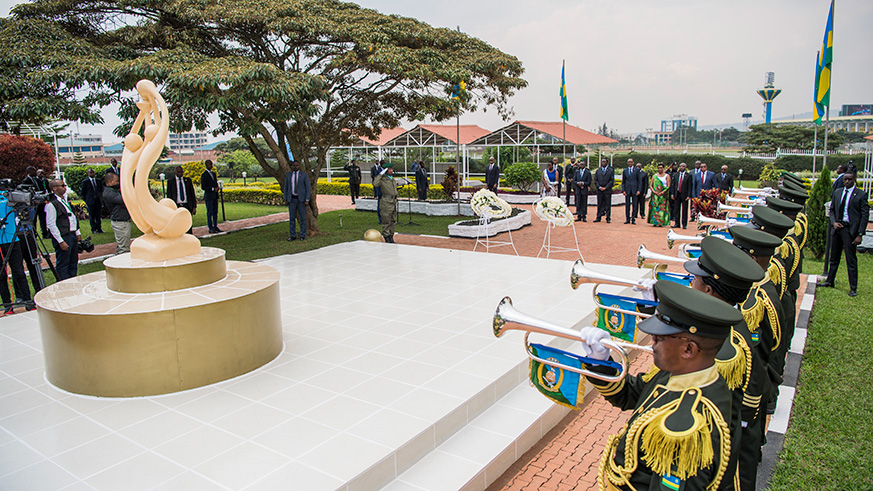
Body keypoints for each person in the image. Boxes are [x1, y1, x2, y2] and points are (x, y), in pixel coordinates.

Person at [578, 280, 741, 491]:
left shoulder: (684, 429)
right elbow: (631, 394)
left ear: (688, 350)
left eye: (660, 337)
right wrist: (601, 361)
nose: (652, 341)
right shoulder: (681, 374)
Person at [685, 236, 770, 491]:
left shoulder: (725, 349)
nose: (691, 283)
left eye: (695, 280)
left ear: (709, 291)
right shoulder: (731, 326)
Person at [821, 172, 869, 296]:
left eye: (849, 179)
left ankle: (853, 288)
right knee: (834, 257)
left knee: (850, 259)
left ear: (854, 180)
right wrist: (834, 223)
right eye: (845, 179)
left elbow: (864, 215)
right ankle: (829, 281)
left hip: (850, 230)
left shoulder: (861, 195)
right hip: (837, 228)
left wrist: (860, 234)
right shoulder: (837, 192)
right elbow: (832, 210)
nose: (847, 181)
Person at [0, 195, 34, 313]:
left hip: (14, 240)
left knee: (19, 271)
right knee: (1, 275)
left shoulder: (7, 196)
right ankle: (7, 305)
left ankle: (28, 301)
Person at [45, 179, 80, 281]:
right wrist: (60, 241)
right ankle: (63, 283)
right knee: (63, 263)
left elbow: (72, 217)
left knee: (73, 261)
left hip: (72, 233)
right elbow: (51, 224)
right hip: (63, 236)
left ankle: (73, 280)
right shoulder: (51, 204)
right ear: (54, 188)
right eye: (62, 186)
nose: (65, 187)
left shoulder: (65, 200)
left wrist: (77, 232)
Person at [101, 172, 131, 254]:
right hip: (120, 222)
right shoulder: (109, 193)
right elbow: (123, 200)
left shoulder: (113, 191)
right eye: (116, 181)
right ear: (110, 182)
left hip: (123, 221)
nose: (118, 183)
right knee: (124, 249)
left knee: (124, 244)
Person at [283, 160, 311, 241]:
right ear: (292, 166)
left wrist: (307, 199)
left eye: (296, 166)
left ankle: (303, 235)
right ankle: (292, 235)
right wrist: (286, 199)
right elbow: (286, 188)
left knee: (303, 218)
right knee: (292, 218)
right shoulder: (288, 175)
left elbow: (308, 188)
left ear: (299, 166)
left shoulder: (304, 175)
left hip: (301, 200)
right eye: (293, 166)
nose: (295, 167)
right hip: (292, 200)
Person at [373, 162, 398, 243]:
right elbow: (375, 183)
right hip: (386, 201)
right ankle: (386, 236)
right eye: (389, 169)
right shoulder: (382, 179)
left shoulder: (392, 178)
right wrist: (380, 174)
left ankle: (391, 235)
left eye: (391, 169)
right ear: (385, 170)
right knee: (386, 220)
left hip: (393, 201)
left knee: (392, 219)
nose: (391, 170)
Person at [166, 166, 197, 234]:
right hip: (177, 205)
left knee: (188, 222)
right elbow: (169, 195)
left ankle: (189, 236)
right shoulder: (171, 182)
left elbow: (192, 194)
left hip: (187, 205)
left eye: (181, 172)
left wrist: (194, 206)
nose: (180, 174)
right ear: (175, 172)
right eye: (178, 172)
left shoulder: (188, 181)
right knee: (178, 222)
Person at [79, 168, 104, 234]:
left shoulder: (98, 181)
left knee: (98, 215)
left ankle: (99, 228)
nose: (92, 174)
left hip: (98, 200)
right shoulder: (85, 182)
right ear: (88, 174)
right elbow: (83, 192)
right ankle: (93, 229)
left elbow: (101, 189)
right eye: (90, 173)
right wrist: (87, 199)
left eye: (93, 172)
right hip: (90, 201)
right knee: (92, 216)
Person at [200, 159, 221, 233]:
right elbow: (203, 187)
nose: (211, 166)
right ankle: (210, 227)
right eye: (209, 164)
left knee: (215, 212)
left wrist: (217, 187)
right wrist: (212, 189)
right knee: (210, 212)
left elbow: (215, 183)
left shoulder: (214, 174)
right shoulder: (204, 175)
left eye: (211, 164)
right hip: (209, 196)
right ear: (206, 165)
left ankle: (215, 226)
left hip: (215, 196)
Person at [647, 163, 671, 227]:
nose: (660, 169)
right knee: (655, 208)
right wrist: (654, 191)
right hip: (655, 195)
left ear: (663, 168)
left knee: (662, 209)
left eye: (661, 168)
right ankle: (654, 222)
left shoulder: (667, 176)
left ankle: (661, 222)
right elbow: (651, 185)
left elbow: (668, 186)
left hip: (663, 195)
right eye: (659, 168)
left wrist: (662, 192)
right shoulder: (654, 176)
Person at [670, 162, 693, 228]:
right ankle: (677, 223)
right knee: (676, 209)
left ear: (685, 167)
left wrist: (689, 195)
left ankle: (684, 224)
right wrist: (672, 194)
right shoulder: (676, 174)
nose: (681, 167)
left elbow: (689, 186)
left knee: (684, 210)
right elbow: (673, 185)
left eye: (683, 166)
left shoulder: (688, 175)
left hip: (684, 195)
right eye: (680, 166)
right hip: (677, 194)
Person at [621, 158, 642, 224]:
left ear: (633, 163)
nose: (630, 163)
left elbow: (639, 181)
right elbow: (623, 181)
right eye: (628, 162)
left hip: (634, 190)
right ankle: (627, 218)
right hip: (627, 190)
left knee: (634, 205)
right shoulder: (625, 170)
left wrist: (639, 190)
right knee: (627, 205)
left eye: (631, 162)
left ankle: (633, 218)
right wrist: (623, 190)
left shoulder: (637, 170)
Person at [593, 158, 613, 223]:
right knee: (599, 204)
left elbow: (611, 180)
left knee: (607, 204)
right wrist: (599, 187)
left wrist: (606, 187)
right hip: (599, 190)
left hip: (607, 190)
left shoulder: (610, 170)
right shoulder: (598, 170)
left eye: (604, 162)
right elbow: (595, 180)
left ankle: (608, 217)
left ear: (607, 162)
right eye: (602, 162)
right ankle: (598, 217)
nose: (603, 163)